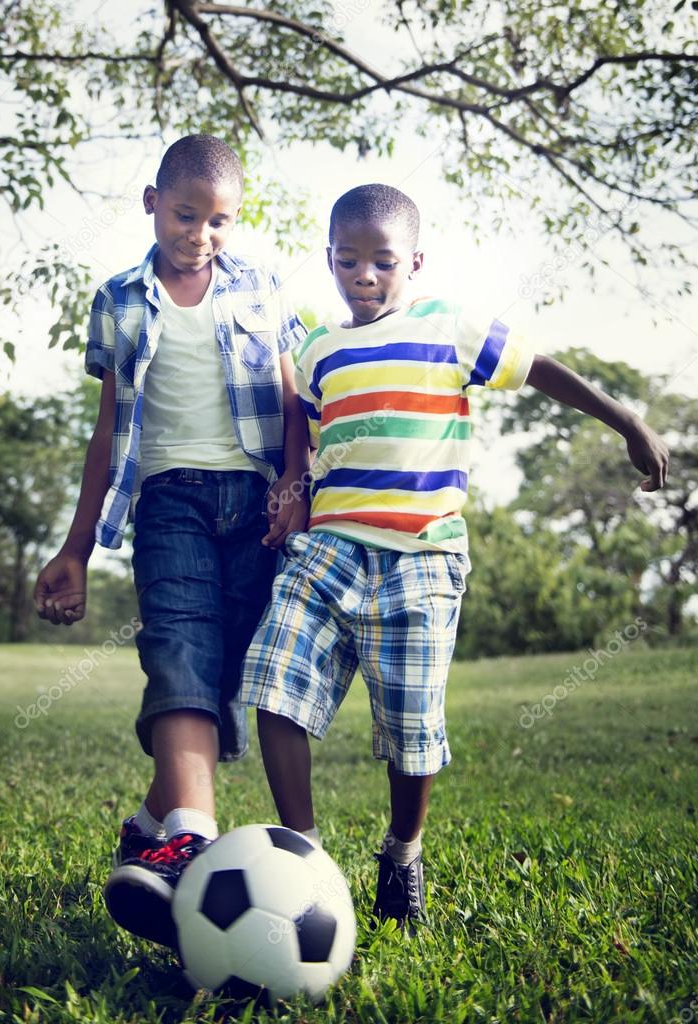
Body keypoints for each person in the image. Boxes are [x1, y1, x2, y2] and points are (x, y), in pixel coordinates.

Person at [240, 183, 669, 933]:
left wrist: (622, 418)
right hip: (328, 550)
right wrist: (290, 489)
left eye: (381, 262)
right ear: (330, 261)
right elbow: (305, 440)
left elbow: (536, 367)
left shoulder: (449, 327)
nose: (364, 276)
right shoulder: (316, 349)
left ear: (414, 261)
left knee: (411, 730)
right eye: (347, 261)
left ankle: (402, 853)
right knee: (273, 686)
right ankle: (303, 853)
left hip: (422, 558)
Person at [33, 135, 309, 947]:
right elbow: (108, 426)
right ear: (152, 203)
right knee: (181, 653)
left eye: (219, 220)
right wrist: (75, 548)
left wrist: (295, 488)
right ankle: (190, 844)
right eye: (186, 214)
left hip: (256, 505)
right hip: (167, 505)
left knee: (223, 680)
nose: (201, 233)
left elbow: (294, 405)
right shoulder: (118, 300)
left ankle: (151, 827)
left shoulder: (260, 288)